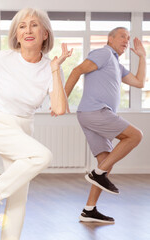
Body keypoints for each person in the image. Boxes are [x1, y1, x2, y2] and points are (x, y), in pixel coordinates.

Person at [0, 8, 72, 240]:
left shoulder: (51, 68)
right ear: (16, 35)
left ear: (45, 34)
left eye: (34, 25)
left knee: (18, 196)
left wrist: (56, 69)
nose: (28, 30)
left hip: (23, 128)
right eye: (22, 26)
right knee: (42, 156)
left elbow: (58, 108)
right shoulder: (2, 59)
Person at [64, 27, 146, 223]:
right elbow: (77, 70)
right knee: (136, 136)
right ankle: (97, 174)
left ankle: (89, 210)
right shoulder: (104, 54)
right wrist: (62, 98)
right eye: (122, 36)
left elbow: (139, 82)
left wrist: (142, 56)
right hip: (95, 111)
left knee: (106, 162)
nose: (126, 40)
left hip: (92, 114)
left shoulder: (117, 64)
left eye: (128, 37)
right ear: (110, 39)